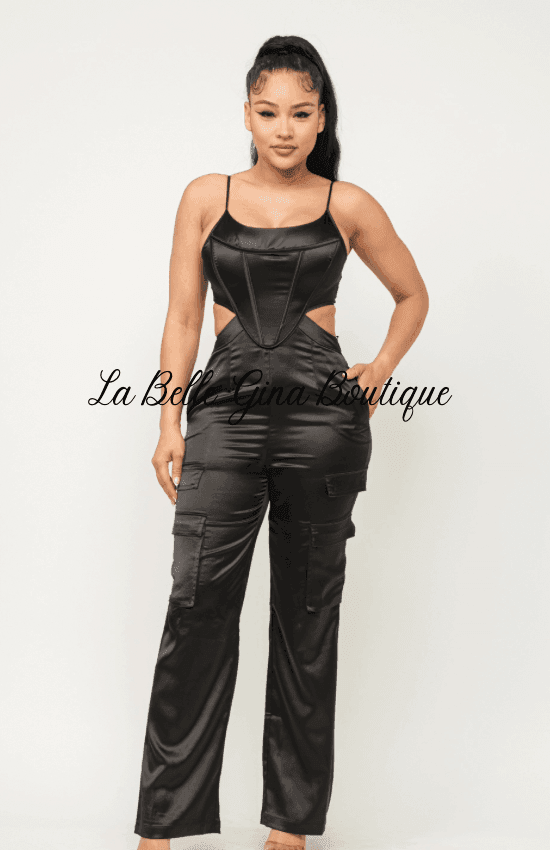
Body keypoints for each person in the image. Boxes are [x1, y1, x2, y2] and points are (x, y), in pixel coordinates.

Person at [134, 34, 429, 850]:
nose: (285, 128)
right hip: (223, 423)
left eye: (301, 113)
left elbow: (412, 295)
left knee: (306, 620)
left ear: (321, 117)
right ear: (247, 116)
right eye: (269, 113)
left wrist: (378, 371)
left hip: (323, 429)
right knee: (196, 607)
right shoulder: (206, 196)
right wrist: (167, 420)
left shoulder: (349, 204)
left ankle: (290, 829)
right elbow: (183, 318)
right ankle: (160, 827)